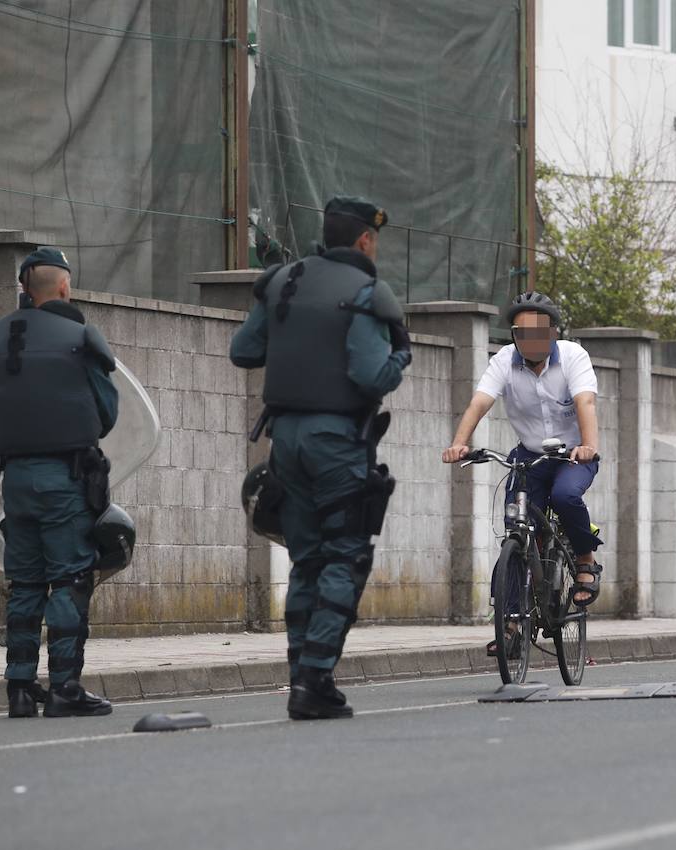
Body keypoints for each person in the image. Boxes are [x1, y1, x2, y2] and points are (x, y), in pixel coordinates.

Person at [230, 196, 411, 720]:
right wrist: (401, 353)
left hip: (284, 441)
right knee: (345, 555)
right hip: (338, 442)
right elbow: (372, 376)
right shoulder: (367, 291)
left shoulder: (282, 281)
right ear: (365, 241)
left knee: (306, 559)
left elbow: (244, 351)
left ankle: (301, 680)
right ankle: (316, 678)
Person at [0, 246, 118, 718]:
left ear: (23, 290)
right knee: (69, 580)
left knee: (26, 584)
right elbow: (106, 414)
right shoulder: (79, 337)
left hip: (15, 478)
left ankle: (19, 687)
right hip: (63, 478)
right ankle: (66, 689)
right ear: (65, 286)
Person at [441, 291, 602, 653]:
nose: (529, 339)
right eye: (521, 331)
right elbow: (479, 402)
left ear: (553, 331)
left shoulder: (574, 356)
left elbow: (585, 402)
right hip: (529, 457)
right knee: (516, 531)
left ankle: (585, 561)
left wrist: (587, 445)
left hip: (573, 456)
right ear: (514, 335)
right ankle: (512, 624)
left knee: (565, 496)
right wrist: (459, 442)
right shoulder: (504, 361)